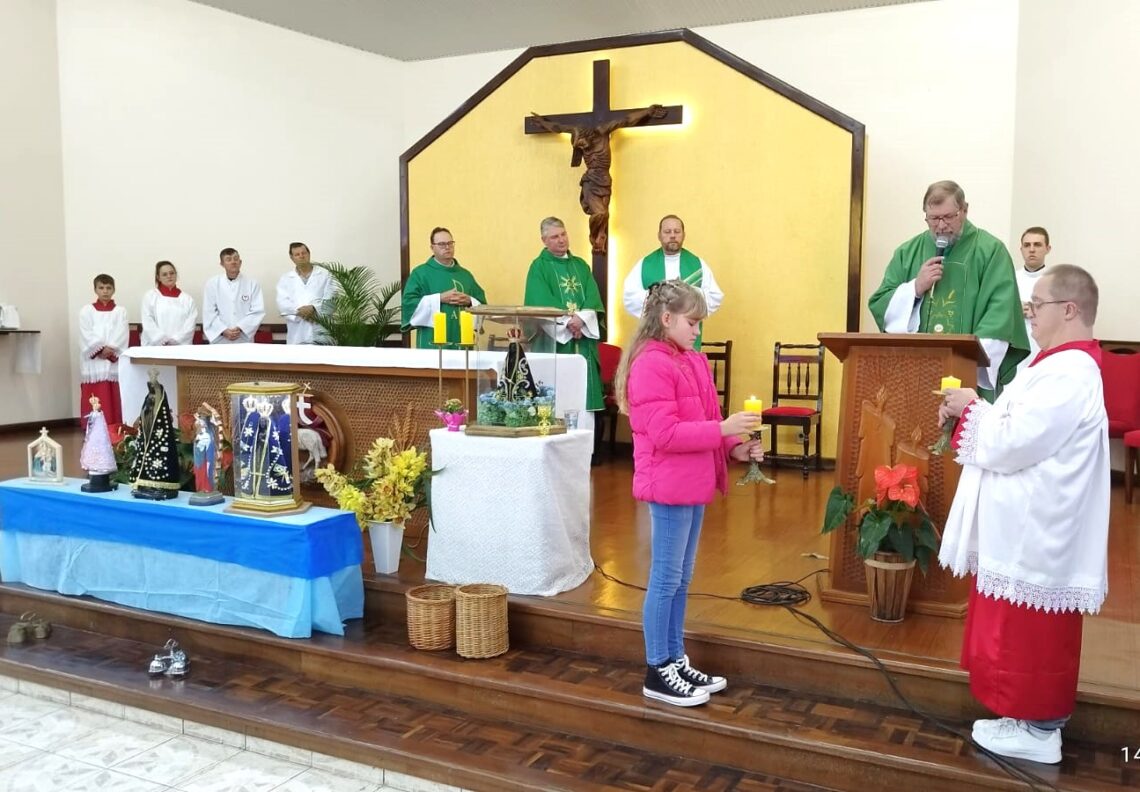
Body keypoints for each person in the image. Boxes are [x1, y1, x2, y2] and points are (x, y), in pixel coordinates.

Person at [937, 264, 1109, 764]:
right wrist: (978, 407)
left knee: (1032, 633)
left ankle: (1040, 730)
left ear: (1070, 310)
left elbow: (1014, 440)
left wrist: (972, 406)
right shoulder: (1051, 365)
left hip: (1040, 532)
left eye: (1037, 305)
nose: (1028, 314)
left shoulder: (1072, 372)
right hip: (1026, 527)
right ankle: (1021, 718)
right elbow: (1017, 424)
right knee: (1015, 629)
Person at [614, 279, 765, 707]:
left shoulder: (693, 361)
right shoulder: (650, 364)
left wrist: (736, 446)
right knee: (665, 578)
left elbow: (710, 421)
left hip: (693, 482)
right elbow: (664, 433)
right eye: (691, 321)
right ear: (666, 319)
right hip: (668, 484)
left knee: (682, 578)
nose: (697, 329)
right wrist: (721, 430)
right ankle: (656, 668)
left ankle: (675, 656)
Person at [868, 180, 1029, 400]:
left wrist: (966, 365)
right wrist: (915, 288)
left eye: (948, 217)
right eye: (933, 219)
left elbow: (1000, 315)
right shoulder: (908, 252)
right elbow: (880, 303)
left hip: (968, 378)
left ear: (964, 210)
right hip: (916, 376)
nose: (941, 226)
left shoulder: (991, 251)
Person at [530, 105, 666, 253]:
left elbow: (626, 120)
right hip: (590, 180)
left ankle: (599, 237)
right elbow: (557, 127)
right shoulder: (580, 141)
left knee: (604, 215)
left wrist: (647, 112)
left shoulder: (602, 131)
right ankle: (594, 237)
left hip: (605, 180)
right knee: (600, 213)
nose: (581, 148)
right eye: (577, 146)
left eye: (581, 143)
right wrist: (543, 123)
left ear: (587, 136)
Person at [523, 217, 605, 419]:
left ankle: (587, 448)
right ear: (544, 240)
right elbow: (538, 301)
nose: (561, 240)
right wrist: (568, 323)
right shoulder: (538, 268)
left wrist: (581, 320)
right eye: (554, 237)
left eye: (563, 234)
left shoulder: (581, 266)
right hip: (553, 342)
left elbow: (593, 297)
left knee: (583, 399)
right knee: (555, 399)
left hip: (583, 342)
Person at [622, 214, 724, 349]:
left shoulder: (697, 264)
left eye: (677, 231)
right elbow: (630, 296)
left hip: (688, 338)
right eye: (667, 231)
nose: (672, 235)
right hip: (656, 334)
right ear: (659, 235)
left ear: (683, 235)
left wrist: (690, 297)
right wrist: (658, 302)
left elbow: (715, 296)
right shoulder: (645, 264)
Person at [401, 227, 487, 348]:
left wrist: (469, 301)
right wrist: (439, 298)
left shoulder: (465, 275)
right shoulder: (420, 273)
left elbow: (483, 305)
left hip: (462, 341)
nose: (447, 247)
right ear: (432, 247)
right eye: (441, 244)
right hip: (432, 341)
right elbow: (409, 304)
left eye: (450, 243)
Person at [78, 273, 128, 431]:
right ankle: (93, 428)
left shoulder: (120, 311)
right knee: (96, 394)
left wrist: (111, 348)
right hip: (94, 362)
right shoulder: (87, 311)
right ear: (95, 289)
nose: (105, 291)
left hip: (111, 360)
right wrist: (99, 348)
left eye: (108, 288)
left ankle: (115, 427)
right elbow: (85, 332)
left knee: (113, 394)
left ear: (114, 290)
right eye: (101, 287)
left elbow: (122, 332)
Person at [129, 371, 182, 500]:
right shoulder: (148, 399)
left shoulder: (160, 400)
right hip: (148, 435)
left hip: (158, 436)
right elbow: (145, 413)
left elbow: (158, 413)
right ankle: (144, 484)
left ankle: (159, 486)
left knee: (158, 459)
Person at [202, 248, 265, 344]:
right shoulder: (212, 284)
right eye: (228, 259)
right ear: (222, 264)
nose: (233, 262)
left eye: (236, 259)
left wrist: (240, 328)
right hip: (220, 338)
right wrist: (223, 331)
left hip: (243, 337)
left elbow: (258, 311)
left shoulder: (252, 283)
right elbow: (209, 312)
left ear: (240, 262)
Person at [276, 242, 334, 345]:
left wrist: (313, 309)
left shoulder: (325, 275)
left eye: (304, 253)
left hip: (321, 331)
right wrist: (301, 312)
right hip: (297, 333)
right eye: (297, 254)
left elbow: (331, 300)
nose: (301, 256)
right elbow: (282, 304)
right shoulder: (285, 279)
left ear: (309, 254)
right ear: (292, 258)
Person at [1015, 227, 1052, 374]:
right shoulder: (1010, 278)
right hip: (1016, 349)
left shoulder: (1057, 280)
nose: (1031, 250)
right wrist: (1014, 310)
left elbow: (1066, 317)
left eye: (1037, 245)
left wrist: (1038, 310)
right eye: (1027, 245)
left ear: (1048, 248)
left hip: (1045, 349)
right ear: (1021, 249)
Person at [141, 261, 197, 346]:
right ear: (158, 277)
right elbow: (147, 321)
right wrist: (161, 339)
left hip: (180, 347)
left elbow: (190, 325)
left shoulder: (187, 299)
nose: (169, 276)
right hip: (156, 346)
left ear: (176, 275)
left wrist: (175, 340)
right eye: (164, 274)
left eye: (172, 273)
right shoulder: (150, 296)